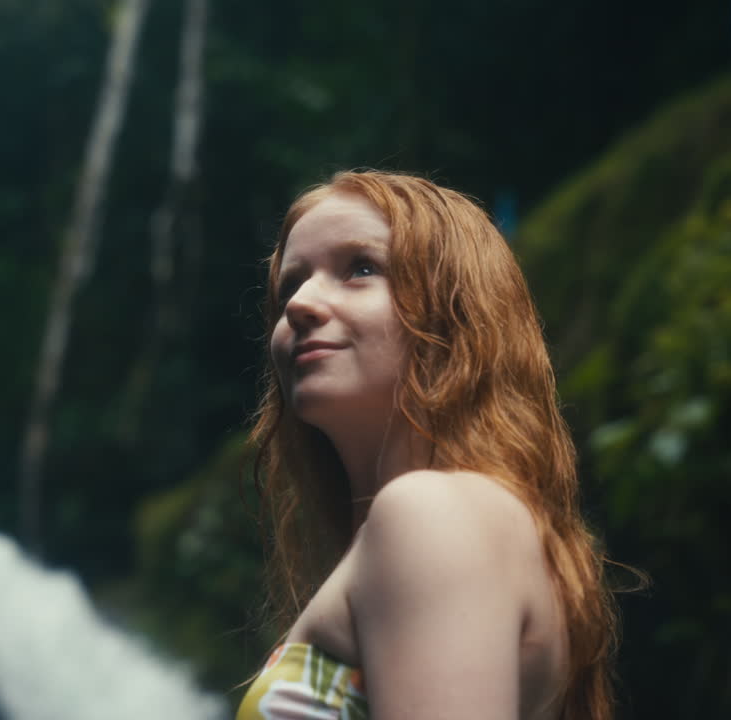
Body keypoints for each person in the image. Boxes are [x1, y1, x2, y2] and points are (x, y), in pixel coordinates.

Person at [237, 170, 616, 720]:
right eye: (291, 283)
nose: (300, 304)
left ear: (454, 314)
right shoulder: (453, 519)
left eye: (361, 268)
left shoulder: (432, 512)